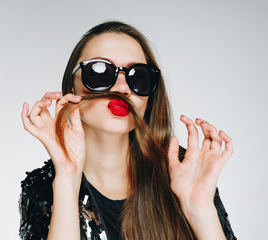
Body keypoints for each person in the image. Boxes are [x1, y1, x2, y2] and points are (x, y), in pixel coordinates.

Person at [19, 21, 237, 240]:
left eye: (138, 77)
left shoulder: (184, 170)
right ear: (71, 87)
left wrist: (199, 208)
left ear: (150, 98)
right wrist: (67, 177)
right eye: (100, 72)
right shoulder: (43, 187)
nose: (122, 88)